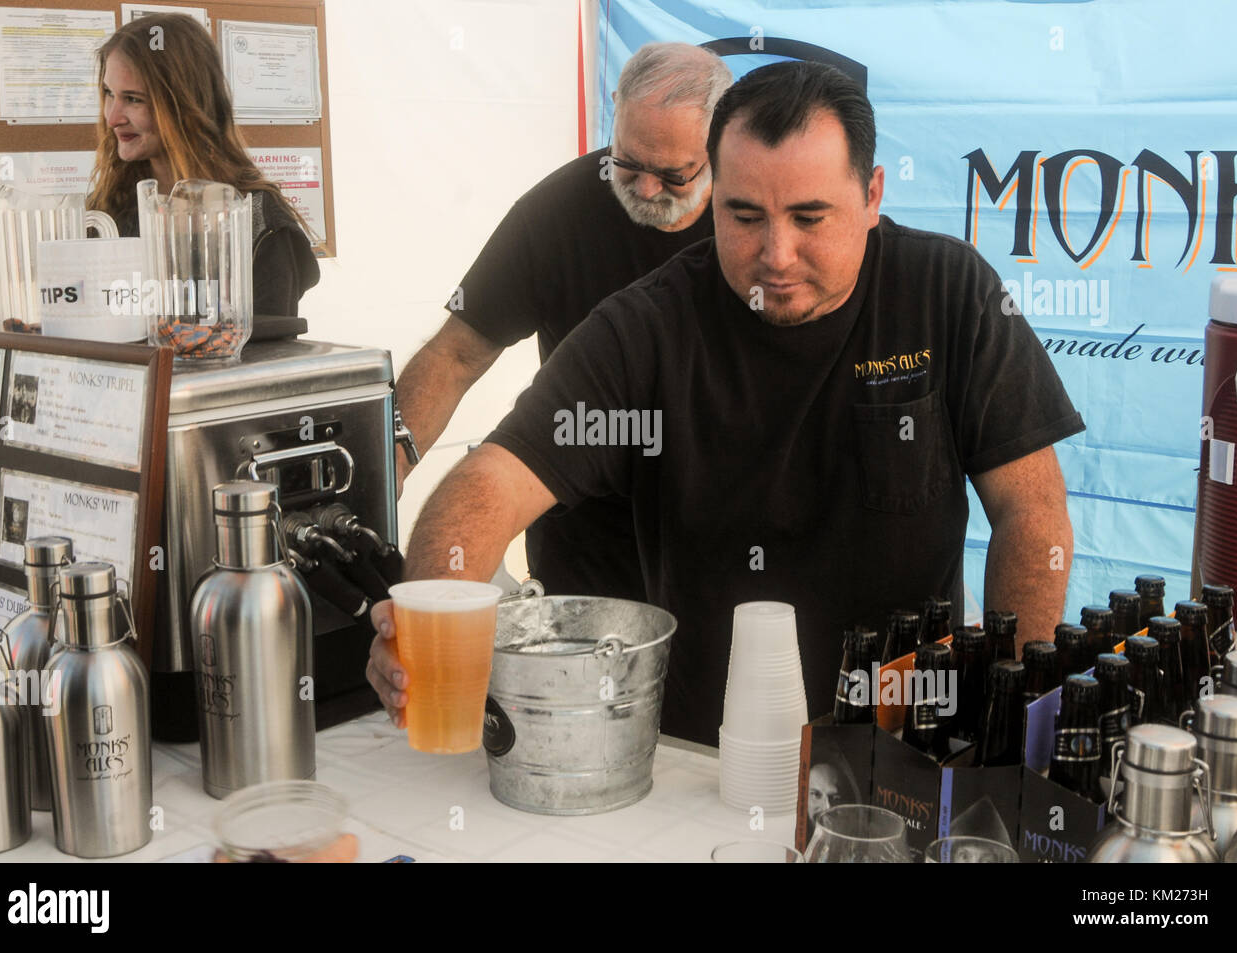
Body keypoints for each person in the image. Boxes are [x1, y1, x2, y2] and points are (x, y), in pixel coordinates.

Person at [367, 61, 1083, 746]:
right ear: (714, 194)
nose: (775, 253)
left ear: (871, 196)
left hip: (904, 743)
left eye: (809, 217)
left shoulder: (948, 294)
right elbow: (492, 480)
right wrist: (423, 621)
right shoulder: (650, 326)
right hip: (698, 761)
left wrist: (1008, 702)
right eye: (744, 216)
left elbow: (1031, 511)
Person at [391, 43, 731, 601]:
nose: (645, 190)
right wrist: (394, 460)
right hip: (584, 525)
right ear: (615, 108)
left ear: (721, 143)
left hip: (717, 518)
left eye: (673, 174)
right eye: (629, 163)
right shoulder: (559, 211)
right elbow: (455, 355)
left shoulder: (750, 216)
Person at [87, 14, 319, 317]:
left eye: (133, 99)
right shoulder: (108, 209)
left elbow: (267, 355)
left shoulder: (257, 221)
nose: (112, 117)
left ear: (184, 104)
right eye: (109, 94)